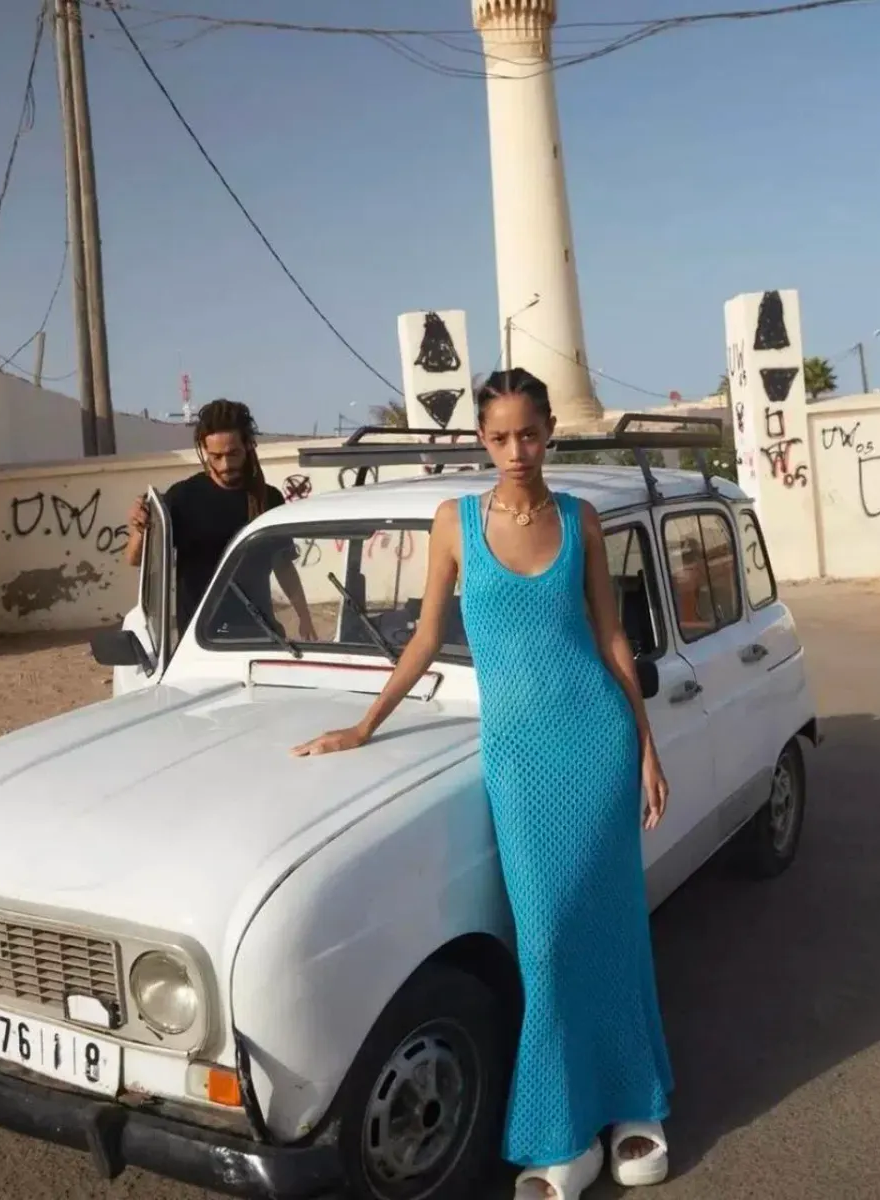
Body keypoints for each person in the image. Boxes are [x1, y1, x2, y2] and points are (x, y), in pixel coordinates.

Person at [292, 368, 674, 1198]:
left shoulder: (580, 520)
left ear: (550, 432)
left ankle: (633, 1103)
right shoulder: (453, 523)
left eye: (529, 434)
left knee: (611, 928)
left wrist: (646, 748)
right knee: (546, 943)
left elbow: (612, 639)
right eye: (499, 437)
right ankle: (563, 1131)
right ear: (481, 440)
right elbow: (426, 637)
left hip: (598, 742)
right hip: (521, 760)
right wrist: (363, 726)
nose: (516, 451)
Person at [126, 398, 317, 642]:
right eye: (216, 456)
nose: (226, 465)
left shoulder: (268, 499)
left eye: (233, 454)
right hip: (201, 642)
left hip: (259, 634)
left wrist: (304, 617)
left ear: (248, 446)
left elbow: (283, 565)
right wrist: (140, 527)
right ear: (204, 450)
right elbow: (135, 559)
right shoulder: (182, 498)